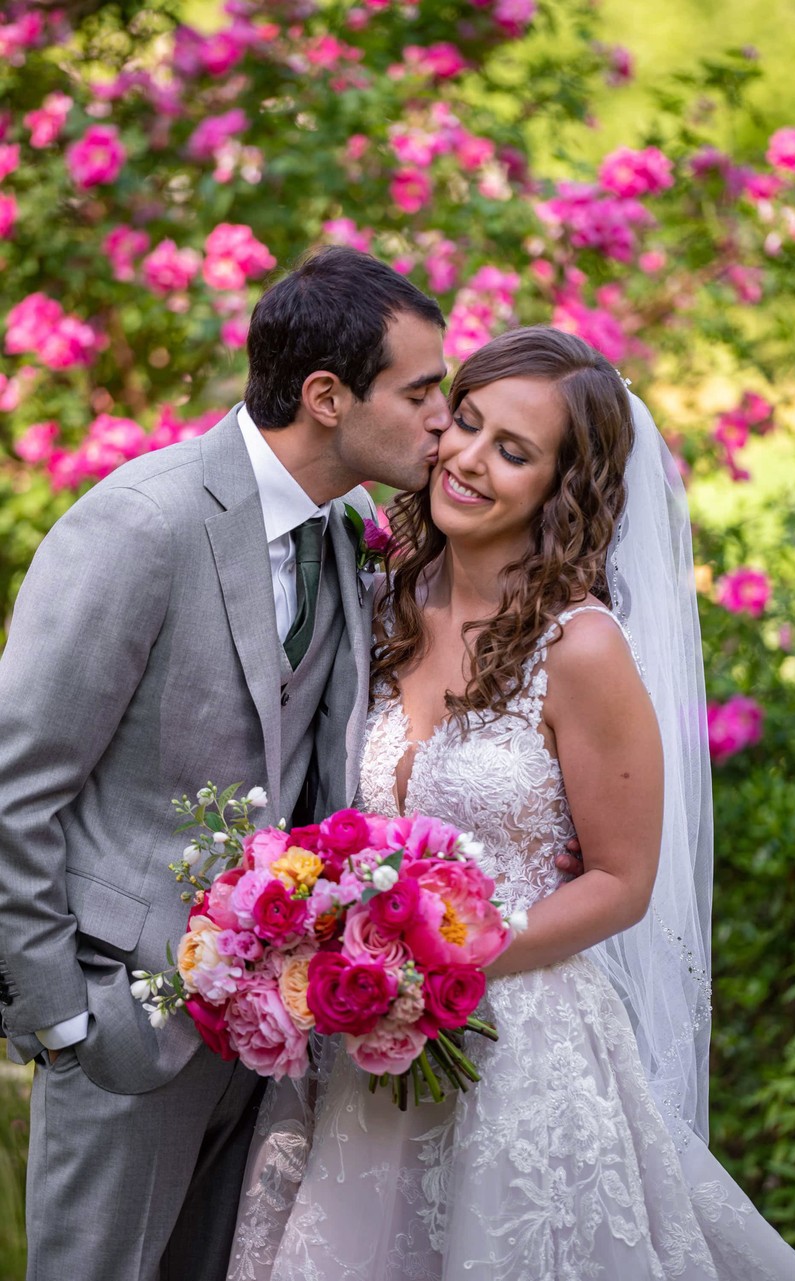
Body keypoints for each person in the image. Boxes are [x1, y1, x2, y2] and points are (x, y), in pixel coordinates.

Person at [229, 326, 795, 1280]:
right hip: (365, 1054)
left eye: (513, 451)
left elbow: (623, 882)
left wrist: (446, 963)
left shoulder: (581, 649)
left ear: (561, 487)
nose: (466, 459)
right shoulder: (381, 601)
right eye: (465, 423)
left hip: (520, 1052)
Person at [0, 245, 453, 1281]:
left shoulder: (343, 533)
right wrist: (65, 1017)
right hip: (126, 1029)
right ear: (328, 396)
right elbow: (14, 786)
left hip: (271, 1042)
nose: (443, 418)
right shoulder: (141, 524)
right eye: (422, 391)